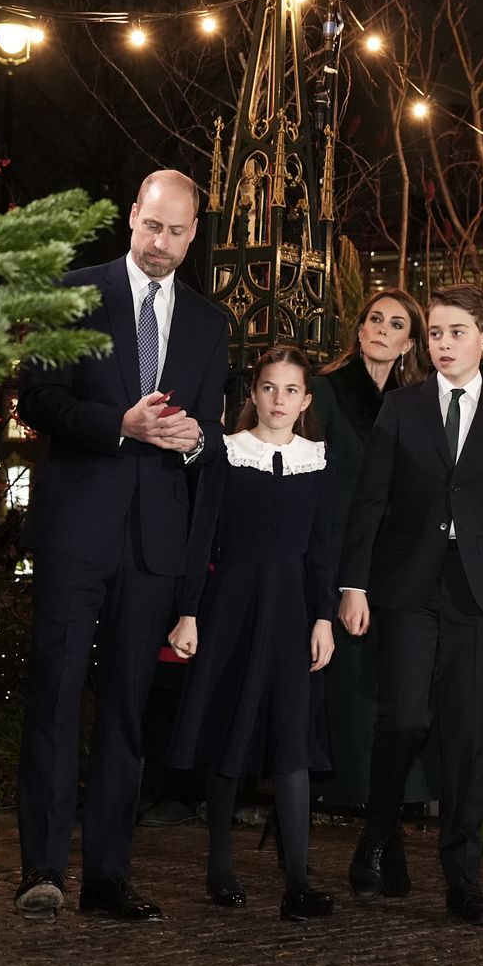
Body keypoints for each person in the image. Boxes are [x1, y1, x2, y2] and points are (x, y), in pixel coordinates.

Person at [14, 169, 228, 922]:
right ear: (132, 216)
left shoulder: (210, 323)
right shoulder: (72, 291)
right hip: (76, 532)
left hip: (153, 545)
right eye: (151, 227)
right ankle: (41, 869)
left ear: (194, 231)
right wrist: (120, 426)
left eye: (176, 232)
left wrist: (197, 440)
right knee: (55, 696)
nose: (161, 244)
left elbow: (207, 444)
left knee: (128, 715)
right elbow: (35, 400)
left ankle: (107, 876)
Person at [338, 282, 483, 926]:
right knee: (401, 720)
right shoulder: (401, 408)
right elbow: (369, 500)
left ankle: (463, 878)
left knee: (464, 737)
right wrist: (353, 584)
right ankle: (376, 839)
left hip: (477, 594)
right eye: (435, 334)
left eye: (457, 332)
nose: (444, 343)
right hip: (405, 588)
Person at [167, 344, 337, 922]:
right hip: (232, 609)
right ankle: (220, 865)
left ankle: (297, 882)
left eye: (291, 390)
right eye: (269, 388)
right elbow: (201, 535)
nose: (279, 400)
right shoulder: (227, 454)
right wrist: (188, 610)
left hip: (294, 614)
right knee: (230, 731)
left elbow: (322, 550)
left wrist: (324, 618)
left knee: (292, 739)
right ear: (254, 395)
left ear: (306, 401)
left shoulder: (319, 460)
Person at [310, 290, 432, 874]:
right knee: (361, 706)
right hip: (344, 563)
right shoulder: (328, 392)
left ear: (411, 342)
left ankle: (384, 838)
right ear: (358, 330)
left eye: (397, 324)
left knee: (402, 702)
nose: (382, 330)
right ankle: (383, 840)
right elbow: (317, 483)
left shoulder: (418, 403)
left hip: (406, 570)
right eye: (374, 320)